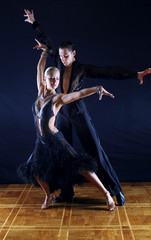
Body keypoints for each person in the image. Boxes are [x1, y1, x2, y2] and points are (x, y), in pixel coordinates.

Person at [23, 9, 151, 206]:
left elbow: (108, 72)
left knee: (95, 152)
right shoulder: (57, 63)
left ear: (73, 53)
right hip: (60, 116)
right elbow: (48, 45)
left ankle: (115, 190)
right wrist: (34, 23)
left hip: (77, 113)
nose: (63, 59)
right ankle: (67, 193)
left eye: (66, 56)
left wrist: (135, 74)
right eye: (60, 56)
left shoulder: (82, 68)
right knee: (63, 159)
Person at [17, 39, 116, 211]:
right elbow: (40, 68)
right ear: (45, 80)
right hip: (40, 142)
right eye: (51, 79)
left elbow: (78, 94)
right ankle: (49, 195)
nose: (55, 82)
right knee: (35, 171)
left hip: (56, 140)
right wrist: (44, 52)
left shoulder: (58, 98)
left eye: (56, 79)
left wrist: (97, 88)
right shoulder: (40, 92)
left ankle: (106, 193)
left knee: (81, 167)